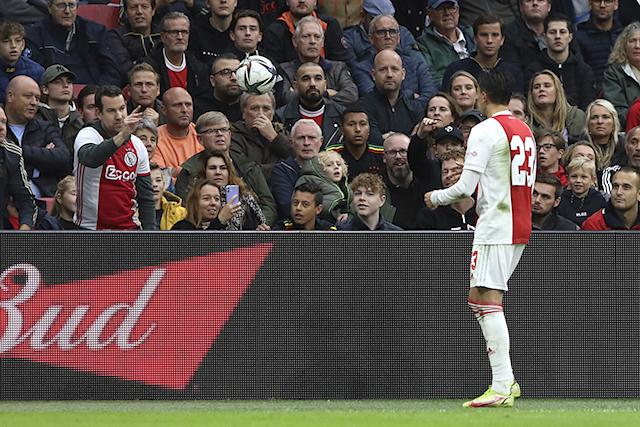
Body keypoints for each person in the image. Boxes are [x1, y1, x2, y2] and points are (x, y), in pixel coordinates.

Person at [424, 68, 535, 408]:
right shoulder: (524, 129)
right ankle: (507, 380)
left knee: (486, 299)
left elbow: (465, 188)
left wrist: (435, 197)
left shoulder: (485, 130)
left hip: (496, 224)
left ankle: (501, 386)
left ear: (482, 96)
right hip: (519, 222)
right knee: (480, 298)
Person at [73, 85, 157, 230]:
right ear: (98, 113)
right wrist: (122, 135)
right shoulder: (88, 135)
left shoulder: (137, 144)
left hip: (129, 228)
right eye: (111, 111)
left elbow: (146, 196)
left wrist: (151, 234)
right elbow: (90, 159)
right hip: (90, 229)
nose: (119, 116)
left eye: (122, 109)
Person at [175, 111, 277, 224]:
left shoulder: (248, 166)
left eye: (223, 130)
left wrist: (262, 225)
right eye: (212, 131)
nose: (219, 134)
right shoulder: (189, 171)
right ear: (200, 139)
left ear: (229, 134)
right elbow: (185, 209)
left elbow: (267, 204)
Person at [4, 75, 70, 198]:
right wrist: (42, 155)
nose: (34, 102)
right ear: (10, 96)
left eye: (37, 98)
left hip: (43, 199)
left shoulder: (45, 128)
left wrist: (13, 151)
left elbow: (62, 158)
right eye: (28, 96)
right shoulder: (2, 127)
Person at [350, 14, 437, 107]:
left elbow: (431, 97)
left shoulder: (416, 64)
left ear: (398, 38)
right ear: (371, 38)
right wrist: (411, 95)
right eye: (381, 32)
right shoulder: (361, 69)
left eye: (392, 32)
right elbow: (373, 99)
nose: (388, 36)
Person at [25, 0, 120, 86]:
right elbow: (34, 75)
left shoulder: (95, 31)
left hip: (92, 91)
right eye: (61, 5)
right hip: (53, 93)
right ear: (49, 7)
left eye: (71, 5)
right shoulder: (34, 35)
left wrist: (97, 94)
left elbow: (112, 70)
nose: (67, 11)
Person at [279, 16, 359, 107]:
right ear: (295, 41)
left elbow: (352, 96)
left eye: (317, 37)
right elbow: (285, 98)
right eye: (306, 36)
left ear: (322, 42)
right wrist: (328, 94)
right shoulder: (284, 70)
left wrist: (318, 95)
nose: (312, 41)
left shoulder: (338, 68)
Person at [523, 13, 597, 110]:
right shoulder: (533, 71)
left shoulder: (583, 70)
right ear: (545, 37)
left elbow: (588, 105)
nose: (557, 36)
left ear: (570, 37)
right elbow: (530, 104)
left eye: (562, 32)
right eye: (552, 32)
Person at [441, 13, 523, 94]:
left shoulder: (513, 73)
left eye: (495, 35)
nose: (489, 41)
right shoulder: (455, 69)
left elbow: (517, 101)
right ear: (475, 39)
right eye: (484, 35)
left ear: (502, 40)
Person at [355, 49, 424, 145]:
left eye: (394, 69)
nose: (389, 75)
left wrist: (388, 136)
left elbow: (420, 144)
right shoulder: (362, 108)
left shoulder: (415, 108)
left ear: (403, 74)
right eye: (383, 69)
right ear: (374, 75)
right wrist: (409, 138)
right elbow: (376, 142)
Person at [194, 149, 270, 230]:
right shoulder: (195, 196)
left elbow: (261, 224)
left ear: (229, 172)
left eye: (223, 168)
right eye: (212, 168)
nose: (218, 172)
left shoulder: (245, 198)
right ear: (205, 172)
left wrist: (260, 230)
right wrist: (220, 220)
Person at [141, 11, 210, 99]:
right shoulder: (149, 68)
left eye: (184, 32)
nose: (180, 37)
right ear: (162, 37)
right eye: (174, 32)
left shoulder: (200, 69)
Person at [275, 62, 344, 148]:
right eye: (306, 79)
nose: (312, 84)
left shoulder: (342, 115)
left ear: (325, 85)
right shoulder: (280, 117)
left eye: (318, 79)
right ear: (296, 86)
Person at [262, 0, 349, 65]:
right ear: (287, 1)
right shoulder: (274, 31)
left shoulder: (330, 25)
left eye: (317, 36)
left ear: (315, 2)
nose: (302, 1)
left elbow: (342, 63)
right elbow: (274, 69)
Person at [232, 91, 294, 182]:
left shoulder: (284, 134)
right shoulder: (234, 138)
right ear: (244, 113)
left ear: (272, 114)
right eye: (254, 108)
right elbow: (246, 172)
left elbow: (297, 161)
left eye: (266, 109)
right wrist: (283, 168)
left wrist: (273, 137)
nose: (261, 114)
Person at [342, 0, 424, 66]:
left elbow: (419, 64)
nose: (382, 24)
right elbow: (352, 69)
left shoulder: (403, 33)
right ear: (363, 16)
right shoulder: (350, 37)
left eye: (388, 19)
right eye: (375, 19)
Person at [416, 0, 476, 89]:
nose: (447, 13)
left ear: (458, 11)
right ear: (430, 14)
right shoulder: (423, 44)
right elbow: (431, 79)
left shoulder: (472, 34)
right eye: (441, 9)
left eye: (451, 8)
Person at [382, 132, 436, 230]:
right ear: (384, 157)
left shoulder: (427, 184)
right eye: (392, 152)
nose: (398, 156)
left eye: (403, 151)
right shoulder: (378, 191)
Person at [271, 118, 323, 219]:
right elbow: (287, 206)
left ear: (321, 141)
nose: (306, 143)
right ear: (291, 142)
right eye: (301, 138)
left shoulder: (331, 167)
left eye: (312, 138)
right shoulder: (282, 170)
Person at [415, 148, 475, 230]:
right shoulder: (429, 216)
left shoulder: (484, 210)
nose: (448, 175)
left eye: (455, 170)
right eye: (445, 172)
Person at [0, 105, 37, 230]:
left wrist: (23, 233)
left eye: (3, 122)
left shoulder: (12, 154)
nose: (1, 128)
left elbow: (26, 201)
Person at [108, 0, 162, 86]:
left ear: (153, 11)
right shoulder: (115, 36)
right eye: (133, 7)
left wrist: (137, 63)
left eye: (144, 7)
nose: (139, 12)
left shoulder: (163, 34)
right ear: (126, 13)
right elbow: (125, 71)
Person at [35, 64, 84, 156]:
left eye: (69, 82)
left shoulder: (79, 122)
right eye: (58, 82)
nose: (65, 85)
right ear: (45, 89)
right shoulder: (35, 119)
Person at [574, 0, 622, 93]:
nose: (602, 5)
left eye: (608, 1)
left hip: (625, 92)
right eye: (597, 1)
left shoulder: (626, 36)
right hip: (593, 92)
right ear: (590, 4)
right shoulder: (578, 38)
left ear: (616, 4)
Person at [326, 106, 384, 181]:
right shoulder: (330, 154)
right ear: (342, 130)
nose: (358, 129)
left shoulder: (381, 154)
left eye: (362, 124)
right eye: (351, 124)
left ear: (369, 129)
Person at [527, 69, 586, 142]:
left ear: (557, 90)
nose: (541, 89)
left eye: (547, 86)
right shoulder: (526, 121)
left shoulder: (576, 116)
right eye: (536, 87)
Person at [154, 87, 203, 174]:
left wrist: (174, 172)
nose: (184, 110)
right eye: (177, 105)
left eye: (188, 105)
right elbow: (160, 176)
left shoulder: (202, 134)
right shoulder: (154, 139)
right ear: (164, 110)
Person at [295, 150, 352, 223]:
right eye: (329, 165)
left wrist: (350, 215)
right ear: (320, 169)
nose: (336, 167)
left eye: (338, 164)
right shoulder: (309, 180)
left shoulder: (346, 186)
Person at [602, 22, 640, 130]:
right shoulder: (614, 73)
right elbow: (616, 111)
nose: (637, 46)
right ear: (623, 46)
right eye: (632, 41)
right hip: (628, 129)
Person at [336, 172, 402, 230]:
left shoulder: (395, 233)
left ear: (382, 200)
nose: (362, 198)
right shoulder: (341, 230)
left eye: (370, 194)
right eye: (358, 193)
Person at [0, 20, 44, 106]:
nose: (13, 46)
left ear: (23, 44)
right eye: (6, 41)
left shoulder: (37, 72)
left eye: (17, 41)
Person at [171, 178, 238, 230]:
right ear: (194, 202)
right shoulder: (181, 228)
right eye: (206, 198)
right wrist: (220, 221)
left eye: (217, 199)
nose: (213, 203)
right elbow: (203, 243)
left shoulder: (226, 228)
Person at [556, 157, 605, 227]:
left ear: (592, 180)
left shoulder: (598, 199)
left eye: (583, 177)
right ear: (567, 178)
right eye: (574, 176)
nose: (578, 180)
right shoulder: (561, 198)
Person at [194, 53, 243, 122]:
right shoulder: (198, 108)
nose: (234, 77)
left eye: (238, 72)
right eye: (226, 72)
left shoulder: (251, 106)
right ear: (213, 80)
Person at [188, 0, 237, 66]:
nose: (223, 1)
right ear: (208, 3)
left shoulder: (243, 30)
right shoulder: (194, 30)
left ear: (235, 2)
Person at [272, 181, 337, 230]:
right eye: (295, 203)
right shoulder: (282, 228)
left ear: (318, 209)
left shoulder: (328, 231)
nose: (298, 208)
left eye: (305, 204)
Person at [584, 99, 625, 171]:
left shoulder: (625, 148)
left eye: (605, 117)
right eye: (594, 117)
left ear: (614, 124)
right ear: (588, 125)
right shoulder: (579, 148)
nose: (600, 121)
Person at [601, 125, 640, 194]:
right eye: (633, 142)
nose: (638, 148)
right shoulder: (612, 173)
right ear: (626, 147)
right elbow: (610, 199)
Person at [149, 161, 187, 229]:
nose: (154, 184)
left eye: (158, 180)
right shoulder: (132, 213)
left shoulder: (181, 213)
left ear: (163, 184)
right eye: (149, 181)